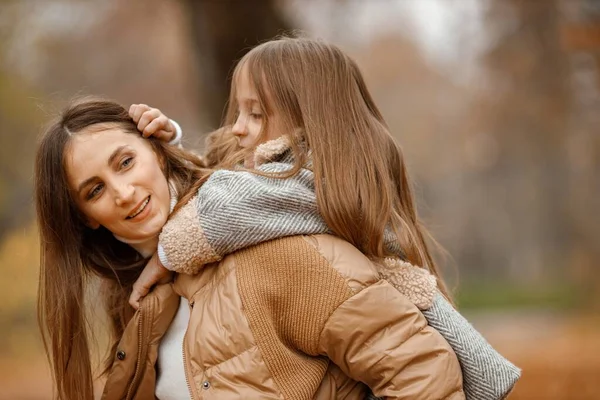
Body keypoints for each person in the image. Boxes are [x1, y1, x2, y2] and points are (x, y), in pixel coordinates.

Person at [129, 36, 520, 400]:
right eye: (239, 110)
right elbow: (225, 184)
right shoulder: (307, 189)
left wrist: (165, 255)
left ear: (308, 121)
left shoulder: (309, 192)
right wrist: (171, 145)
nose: (238, 128)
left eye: (257, 113)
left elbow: (220, 208)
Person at [35, 98, 465, 400]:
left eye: (125, 162)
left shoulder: (265, 248)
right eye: (95, 190)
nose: (123, 192)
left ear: (157, 153)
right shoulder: (132, 299)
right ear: (84, 216)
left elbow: (421, 370)